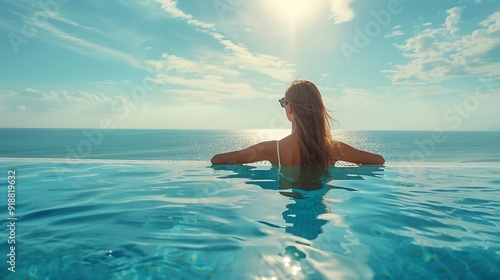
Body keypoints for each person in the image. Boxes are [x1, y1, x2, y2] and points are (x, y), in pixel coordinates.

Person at [210, 79, 385, 167]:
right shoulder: (333, 149)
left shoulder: (273, 150)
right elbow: (378, 160)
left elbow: (217, 160)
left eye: (283, 103)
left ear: (291, 109)